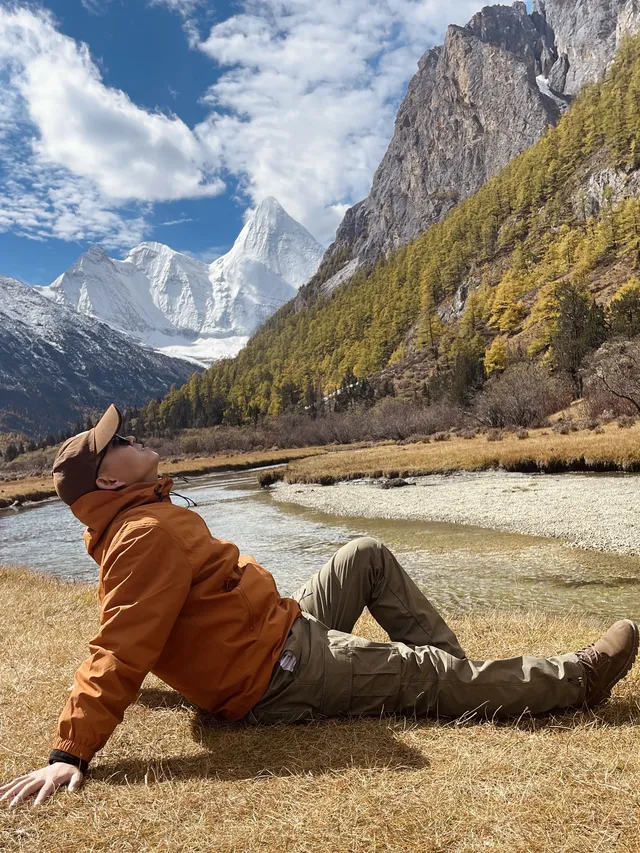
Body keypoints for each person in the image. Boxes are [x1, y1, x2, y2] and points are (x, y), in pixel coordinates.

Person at [1, 404, 638, 807]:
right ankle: (576, 682)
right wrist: (69, 753)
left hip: (281, 630)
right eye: (117, 441)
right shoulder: (144, 537)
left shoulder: (141, 521)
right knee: (424, 674)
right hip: (278, 676)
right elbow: (120, 646)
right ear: (109, 480)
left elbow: (154, 631)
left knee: (366, 553)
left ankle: (453, 681)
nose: (131, 434)